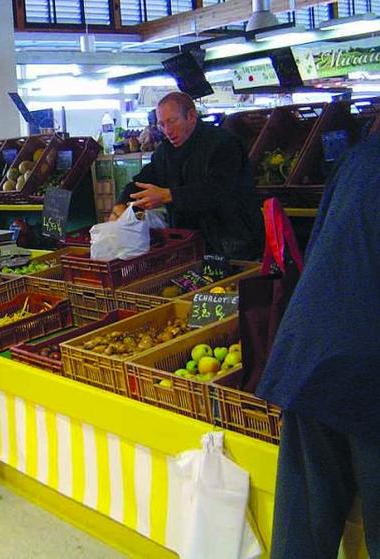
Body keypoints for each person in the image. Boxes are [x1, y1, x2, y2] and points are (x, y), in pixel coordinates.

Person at [257, 134, 380, 558]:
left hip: (311, 352)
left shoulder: (357, 160)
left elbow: (321, 247)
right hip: (367, 369)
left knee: (302, 530)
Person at [109, 92, 263, 260]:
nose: (167, 130)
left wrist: (168, 195)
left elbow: (217, 191)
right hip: (190, 246)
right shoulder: (165, 153)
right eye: (162, 124)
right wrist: (121, 203)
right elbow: (141, 181)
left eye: (172, 121)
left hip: (233, 245)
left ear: (191, 116)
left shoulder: (223, 143)